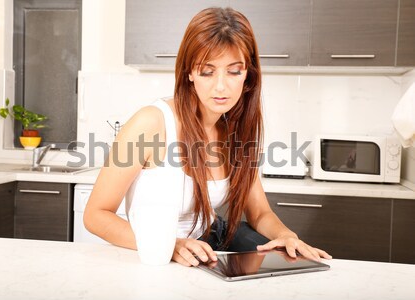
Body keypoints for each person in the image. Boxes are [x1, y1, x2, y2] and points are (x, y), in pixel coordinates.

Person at [84, 7, 332, 267]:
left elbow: (259, 212)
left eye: (234, 71)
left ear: (248, 75)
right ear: (189, 73)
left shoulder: (234, 132)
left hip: (205, 254)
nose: (221, 86)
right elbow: (96, 216)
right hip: (153, 261)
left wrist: (286, 235)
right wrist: (169, 244)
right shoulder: (152, 123)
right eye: (207, 71)